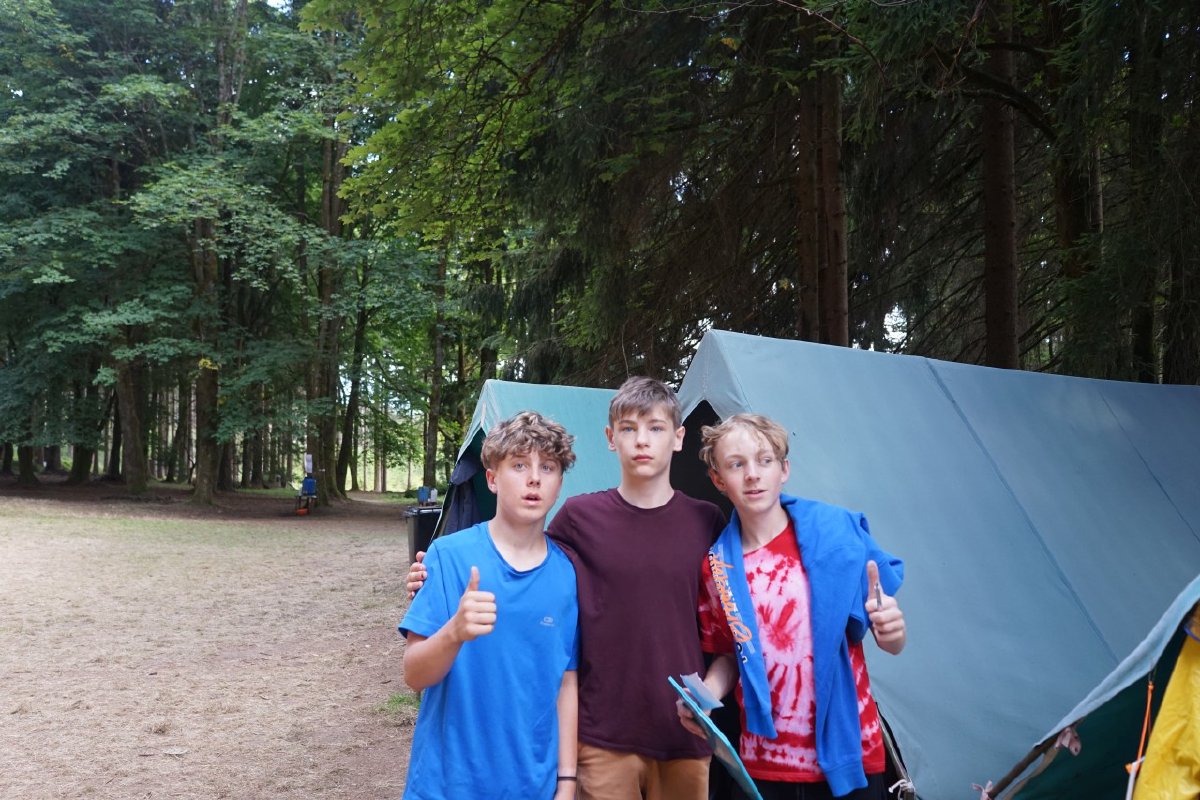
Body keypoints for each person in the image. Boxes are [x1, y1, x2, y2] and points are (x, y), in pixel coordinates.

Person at [409, 377, 726, 800]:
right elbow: (519, 555)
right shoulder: (576, 520)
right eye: (629, 428)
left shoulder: (706, 522)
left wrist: (710, 692)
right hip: (596, 739)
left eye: (655, 428)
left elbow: (730, 628)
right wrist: (432, 586)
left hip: (679, 737)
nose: (642, 440)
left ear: (679, 437)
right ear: (610, 438)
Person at [679, 413, 907, 800]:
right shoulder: (717, 566)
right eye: (736, 464)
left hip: (850, 754)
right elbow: (730, 657)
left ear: (783, 469)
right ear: (718, 479)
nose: (753, 474)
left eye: (764, 460)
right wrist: (703, 697)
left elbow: (891, 640)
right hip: (764, 763)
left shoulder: (835, 535)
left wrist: (893, 631)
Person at [399, 411, 580, 800]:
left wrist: (567, 781)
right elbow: (414, 674)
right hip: (446, 785)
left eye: (548, 467)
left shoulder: (567, 575)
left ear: (559, 484)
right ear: (492, 479)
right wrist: (454, 632)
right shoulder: (447, 556)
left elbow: (566, 682)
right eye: (519, 465)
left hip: (533, 785)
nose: (534, 478)